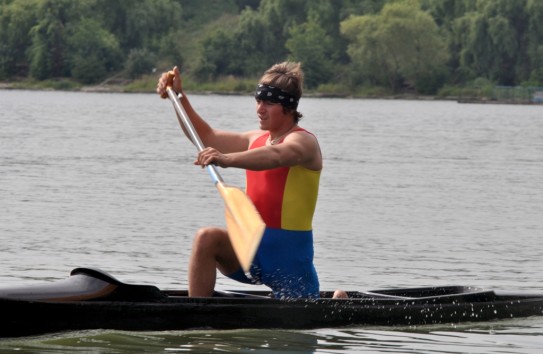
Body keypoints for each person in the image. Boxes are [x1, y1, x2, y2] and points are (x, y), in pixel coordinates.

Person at [156, 62, 322, 299]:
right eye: (258, 100)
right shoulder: (254, 139)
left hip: (289, 262)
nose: (260, 109)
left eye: (269, 103)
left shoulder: (304, 143)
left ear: (288, 107)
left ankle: (338, 299)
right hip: (250, 252)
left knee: (306, 313)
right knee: (207, 238)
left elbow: (277, 156)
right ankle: (196, 316)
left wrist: (226, 159)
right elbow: (206, 137)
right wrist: (178, 96)